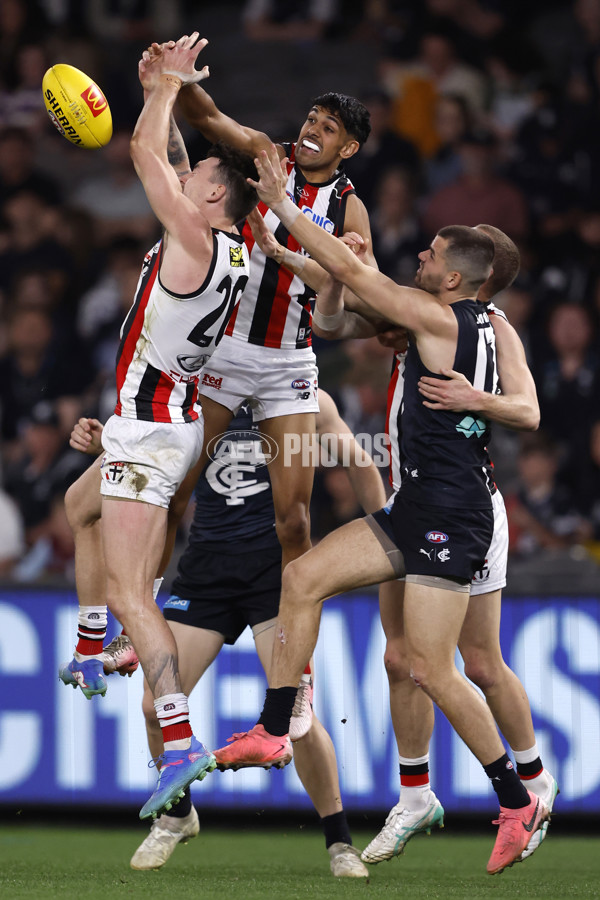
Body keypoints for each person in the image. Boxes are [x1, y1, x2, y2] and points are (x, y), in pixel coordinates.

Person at [210, 145, 551, 875]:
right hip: (421, 502)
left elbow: (359, 276)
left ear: (453, 278)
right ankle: (276, 728)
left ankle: (517, 798)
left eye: (429, 254)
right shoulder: (492, 326)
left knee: (432, 666)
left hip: (452, 512)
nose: (418, 257)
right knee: (301, 579)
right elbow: (354, 294)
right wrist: (279, 245)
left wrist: (288, 203)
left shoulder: (437, 317)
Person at [58, 37, 259, 822]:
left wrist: (166, 88)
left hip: (150, 432)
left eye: (201, 176)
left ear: (211, 201)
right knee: (78, 510)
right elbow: (170, 159)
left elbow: (146, 150)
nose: (188, 173)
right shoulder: (228, 245)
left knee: (134, 593)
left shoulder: (192, 237)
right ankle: (87, 642)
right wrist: (156, 86)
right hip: (158, 421)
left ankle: (178, 739)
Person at [69, 389, 386, 878]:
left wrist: (386, 533)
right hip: (207, 571)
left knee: (297, 718)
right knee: (155, 705)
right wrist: (103, 445)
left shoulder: (300, 399)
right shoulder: (195, 400)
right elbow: (150, 451)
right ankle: (177, 817)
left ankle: (339, 842)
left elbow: (360, 459)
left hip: (275, 577)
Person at [140, 33, 374, 577]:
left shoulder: (350, 209)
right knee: (178, 492)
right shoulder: (269, 155)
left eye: (328, 128)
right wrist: (179, 78)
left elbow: (364, 290)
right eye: (313, 119)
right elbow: (211, 119)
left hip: (289, 362)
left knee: (293, 520)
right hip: (224, 350)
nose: (313, 130)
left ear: (349, 149)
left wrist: (339, 264)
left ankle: (300, 653)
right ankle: (142, 612)